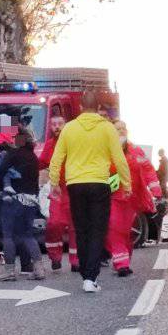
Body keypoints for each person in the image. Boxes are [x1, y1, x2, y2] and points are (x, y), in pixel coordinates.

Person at [49, 92, 131, 293]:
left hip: (75, 184)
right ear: (98, 108)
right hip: (99, 184)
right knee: (97, 230)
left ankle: (86, 273)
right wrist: (126, 184)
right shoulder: (107, 129)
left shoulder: (69, 129)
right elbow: (119, 159)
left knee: (81, 229)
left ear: (80, 108)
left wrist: (54, 183)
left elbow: (57, 158)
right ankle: (91, 277)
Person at [105, 120, 162, 277]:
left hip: (132, 199)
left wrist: (155, 189)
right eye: (118, 128)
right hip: (113, 197)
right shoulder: (106, 150)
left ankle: (124, 257)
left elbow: (148, 169)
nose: (122, 130)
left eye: (124, 128)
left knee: (125, 231)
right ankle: (121, 263)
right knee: (114, 228)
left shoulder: (136, 150)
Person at [0, 129, 45, 281]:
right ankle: (39, 269)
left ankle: (9, 271)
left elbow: (0, 173)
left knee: (8, 235)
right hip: (31, 199)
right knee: (28, 234)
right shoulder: (33, 157)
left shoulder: (13, 155)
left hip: (14, 198)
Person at [39, 115, 79, 273]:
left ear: (66, 125)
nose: (57, 127)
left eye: (60, 124)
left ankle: (76, 261)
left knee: (75, 227)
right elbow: (41, 163)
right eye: (54, 124)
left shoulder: (74, 142)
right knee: (54, 224)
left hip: (74, 188)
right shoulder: (49, 145)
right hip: (57, 189)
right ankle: (55, 258)